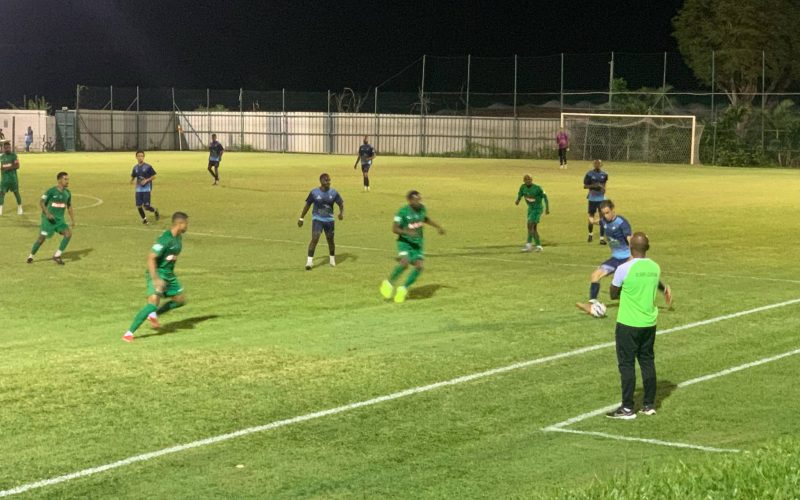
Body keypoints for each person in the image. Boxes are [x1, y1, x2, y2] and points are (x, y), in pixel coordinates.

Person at [606, 232, 672, 419]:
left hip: (628, 323)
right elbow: (655, 283)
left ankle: (627, 408)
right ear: (647, 248)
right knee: (647, 361)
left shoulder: (623, 269)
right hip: (649, 323)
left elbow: (613, 293)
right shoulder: (655, 267)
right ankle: (649, 404)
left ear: (630, 248)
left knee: (626, 365)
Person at [123, 212, 189, 343]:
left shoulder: (178, 237)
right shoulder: (165, 239)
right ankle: (128, 333)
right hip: (158, 272)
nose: (187, 226)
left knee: (179, 300)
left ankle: (154, 315)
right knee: (153, 303)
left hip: (169, 275)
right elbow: (151, 258)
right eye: (186, 223)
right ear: (180, 223)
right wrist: (155, 278)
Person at [380, 190, 445, 303]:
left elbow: (425, 218)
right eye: (416, 200)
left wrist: (438, 227)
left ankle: (403, 289)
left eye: (420, 199)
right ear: (409, 201)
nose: (419, 202)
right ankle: (388, 283)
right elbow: (394, 229)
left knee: (419, 266)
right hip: (405, 242)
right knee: (405, 263)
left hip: (417, 243)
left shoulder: (422, 208)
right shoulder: (402, 212)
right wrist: (407, 232)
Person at [575, 199, 631, 312]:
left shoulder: (622, 223)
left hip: (626, 259)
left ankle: (662, 290)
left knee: (615, 293)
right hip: (615, 259)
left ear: (613, 210)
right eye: (603, 213)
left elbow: (631, 241)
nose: (606, 215)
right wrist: (591, 220)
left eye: (607, 212)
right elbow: (599, 222)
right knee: (595, 275)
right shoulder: (604, 221)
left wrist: (632, 259)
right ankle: (592, 304)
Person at [298, 173, 344, 270]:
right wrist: (301, 218)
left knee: (330, 240)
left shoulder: (334, 193)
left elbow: (340, 203)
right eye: (326, 180)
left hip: (329, 220)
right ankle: (309, 262)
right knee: (315, 238)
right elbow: (307, 205)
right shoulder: (314, 193)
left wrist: (341, 213)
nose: (328, 182)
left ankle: (332, 259)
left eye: (329, 180)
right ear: (321, 181)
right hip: (317, 219)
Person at [26, 172, 74, 265]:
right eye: (65, 179)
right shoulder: (51, 191)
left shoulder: (67, 193)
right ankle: (31, 256)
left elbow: (69, 206)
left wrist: (73, 220)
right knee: (41, 239)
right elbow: (41, 202)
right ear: (59, 180)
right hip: (48, 220)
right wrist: (47, 213)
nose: (67, 181)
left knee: (68, 234)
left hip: (59, 220)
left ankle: (57, 255)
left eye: (68, 179)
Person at [515, 174, 550, 252]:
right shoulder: (523, 187)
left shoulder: (538, 188)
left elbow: (545, 197)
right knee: (533, 228)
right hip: (530, 209)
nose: (528, 181)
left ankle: (529, 244)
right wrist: (518, 200)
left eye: (530, 179)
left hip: (537, 209)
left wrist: (547, 208)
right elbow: (520, 193)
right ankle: (538, 246)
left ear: (532, 180)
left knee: (530, 225)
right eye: (526, 180)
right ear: (524, 181)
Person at [130, 150, 160, 224]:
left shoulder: (148, 167)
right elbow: (133, 176)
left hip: (146, 189)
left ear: (143, 157)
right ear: (136, 157)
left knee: (146, 207)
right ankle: (144, 219)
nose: (140, 157)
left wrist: (146, 180)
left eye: (141, 156)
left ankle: (155, 210)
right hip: (138, 190)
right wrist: (132, 181)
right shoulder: (135, 168)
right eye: (138, 156)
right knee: (139, 206)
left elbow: (154, 176)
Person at [583, 159, 608, 244]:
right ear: (593, 164)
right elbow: (585, 186)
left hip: (601, 199)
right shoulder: (589, 174)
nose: (597, 165)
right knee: (591, 216)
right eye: (596, 163)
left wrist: (603, 189)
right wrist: (594, 186)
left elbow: (604, 185)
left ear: (601, 165)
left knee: (602, 218)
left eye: (599, 163)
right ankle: (590, 234)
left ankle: (601, 238)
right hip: (592, 199)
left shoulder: (604, 174)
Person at [0, 140, 23, 215]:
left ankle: (20, 207)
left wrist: (8, 168)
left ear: (10, 148)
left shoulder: (14, 156)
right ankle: (0, 209)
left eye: (8, 147)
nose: (7, 149)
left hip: (13, 179)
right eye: (6, 148)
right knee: (2, 193)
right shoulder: (2, 157)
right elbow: (2, 167)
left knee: (16, 193)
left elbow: (17, 166)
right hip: (4, 180)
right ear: (3, 148)